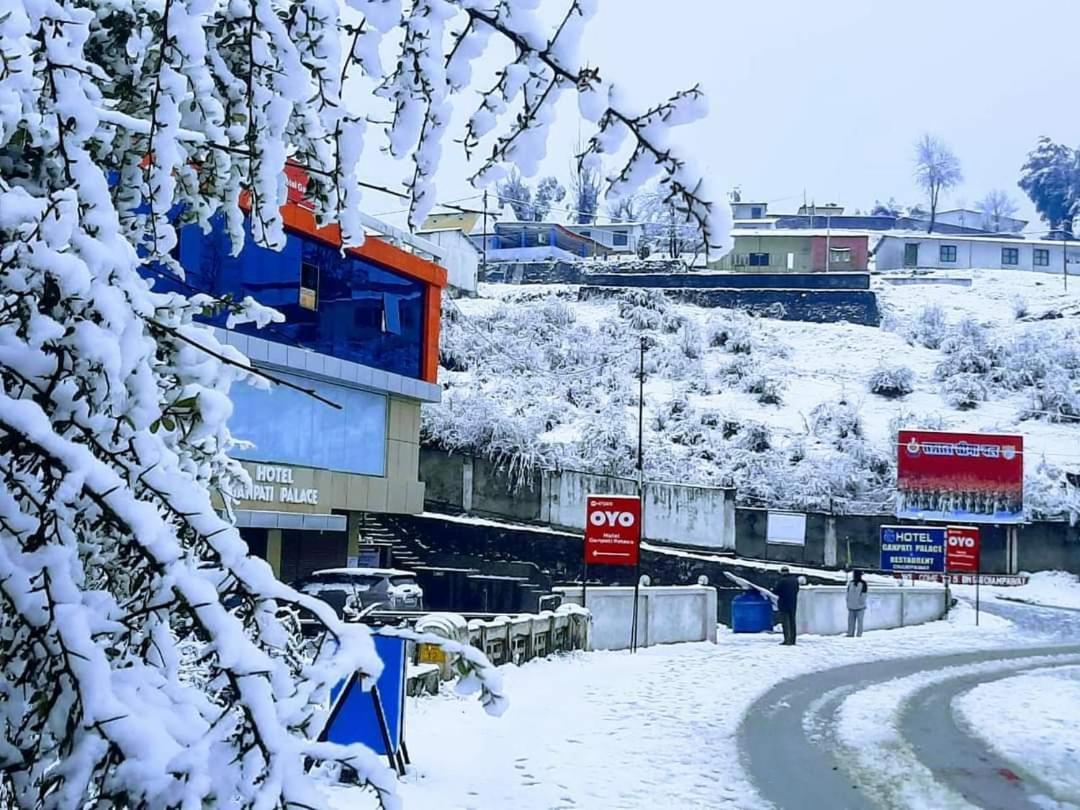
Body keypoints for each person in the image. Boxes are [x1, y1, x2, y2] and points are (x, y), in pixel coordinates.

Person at [774, 567, 800, 646]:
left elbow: (776, 591)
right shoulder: (795, 580)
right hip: (793, 603)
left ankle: (787, 640)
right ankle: (793, 640)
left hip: (783, 603)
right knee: (792, 621)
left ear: (782, 572)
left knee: (785, 622)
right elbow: (797, 590)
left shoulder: (781, 581)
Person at [846, 569, 868, 637]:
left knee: (860, 622)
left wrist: (861, 603)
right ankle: (850, 633)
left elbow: (864, 595)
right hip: (851, 606)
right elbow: (848, 593)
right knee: (850, 622)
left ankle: (859, 634)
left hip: (860, 607)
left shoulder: (863, 583)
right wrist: (848, 602)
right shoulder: (851, 583)